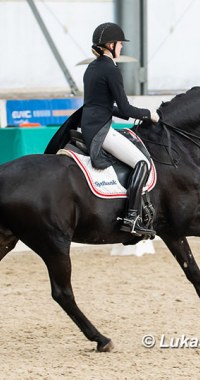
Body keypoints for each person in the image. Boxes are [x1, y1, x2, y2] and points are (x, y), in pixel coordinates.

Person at [81, 22, 159, 237]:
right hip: (100, 130)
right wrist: (148, 114)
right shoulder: (110, 69)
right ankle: (131, 218)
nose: (122, 47)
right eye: (120, 44)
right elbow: (125, 107)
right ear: (110, 44)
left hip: (89, 123)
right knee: (142, 163)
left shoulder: (92, 67)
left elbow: (104, 105)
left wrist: (131, 114)